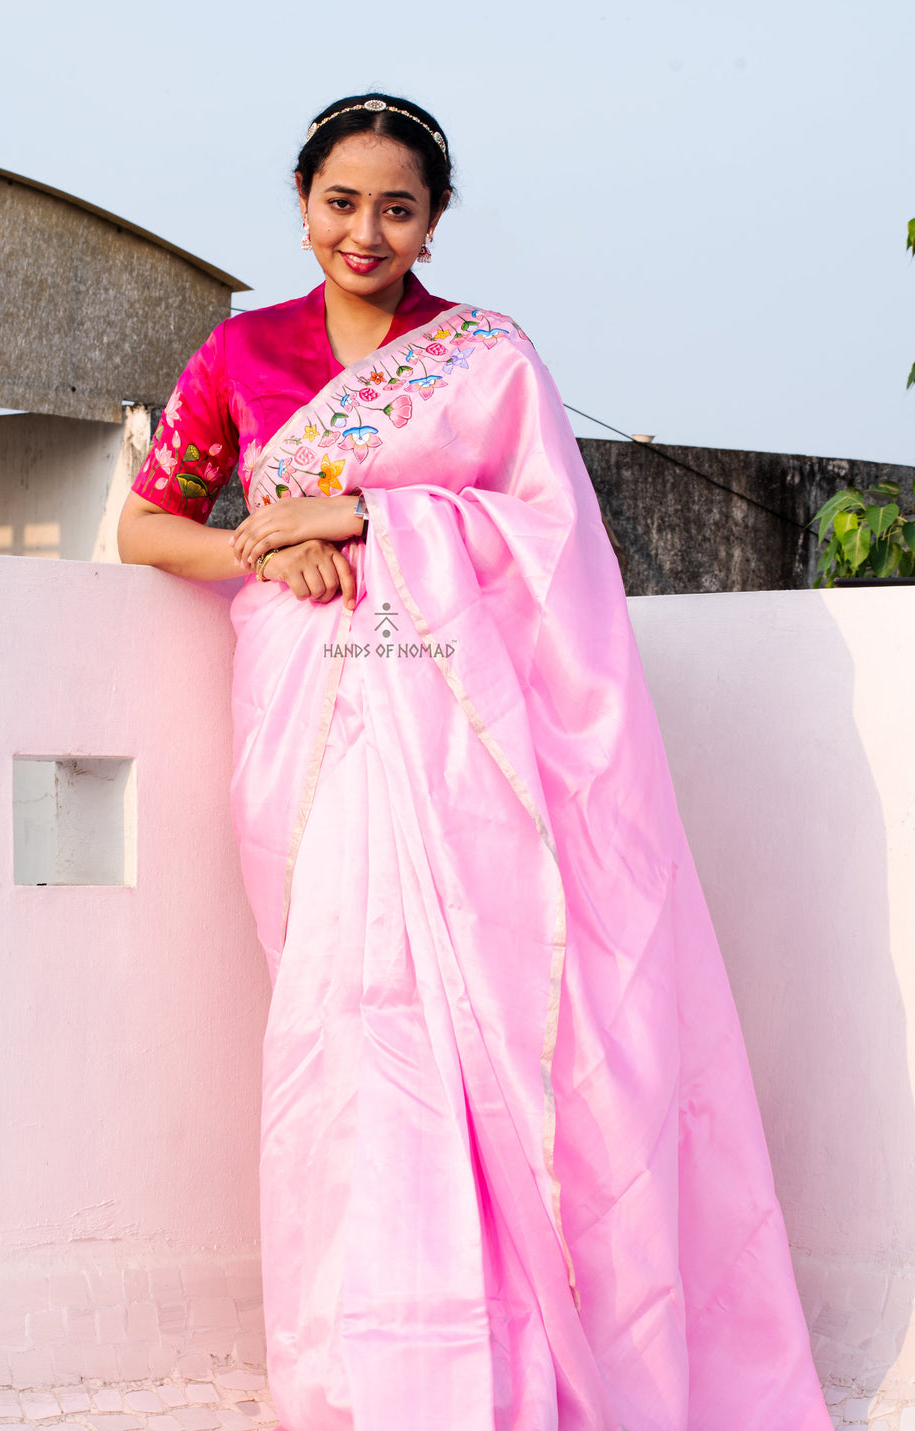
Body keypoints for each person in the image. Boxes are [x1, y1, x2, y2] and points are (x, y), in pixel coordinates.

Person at [117, 93, 832, 1431]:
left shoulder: (486, 359)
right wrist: (269, 545)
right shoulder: (240, 354)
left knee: (487, 1023)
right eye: (342, 202)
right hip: (312, 722)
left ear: (435, 218)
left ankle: (512, 1351)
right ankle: (364, 1360)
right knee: (345, 1020)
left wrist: (368, 513)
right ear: (301, 200)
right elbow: (149, 526)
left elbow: (554, 539)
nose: (366, 232)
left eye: (397, 207)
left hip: (471, 740)